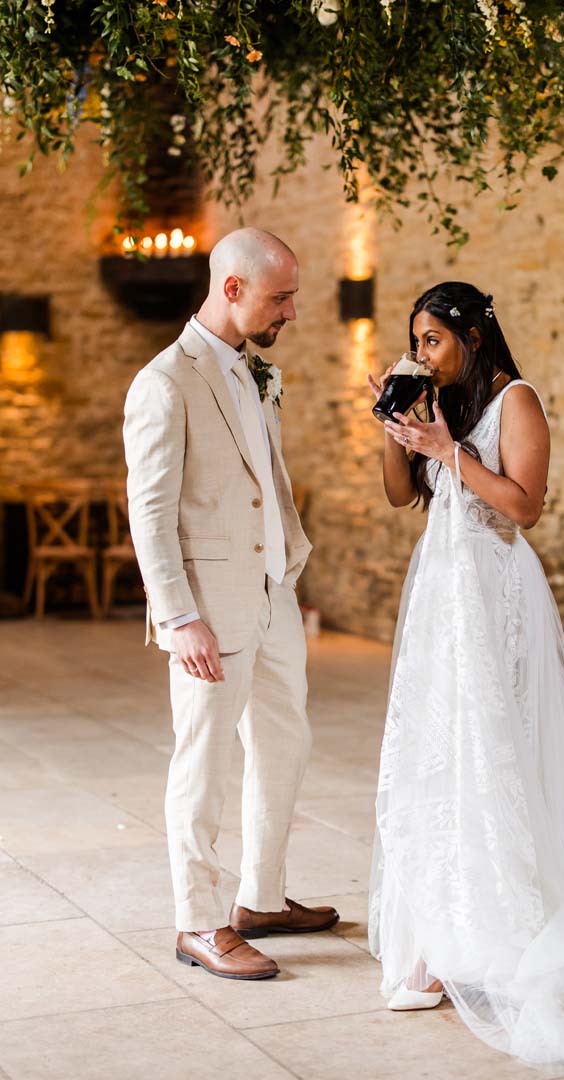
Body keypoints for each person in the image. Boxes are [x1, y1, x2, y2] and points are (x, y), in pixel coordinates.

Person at [367, 281, 564, 1071]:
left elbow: (523, 507)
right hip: (441, 592)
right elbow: (399, 496)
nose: (422, 354)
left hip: (495, 592)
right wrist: (398, 429)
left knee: (495, 753)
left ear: (472, 334)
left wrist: (446, 451)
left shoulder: (513, 400)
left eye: (431, 340)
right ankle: (432, 938)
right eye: (415, 343)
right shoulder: (440, 403)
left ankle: (507, 931)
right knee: (435, 752)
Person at [123, 227, 339, 982]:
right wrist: (179, 617)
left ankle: (261, 898)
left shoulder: (255, 372)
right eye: (281, 298)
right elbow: (148, 512)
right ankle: (198, 922)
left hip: (275, 593)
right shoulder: (164, 382)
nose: (292, 312)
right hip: (210, 610)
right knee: (204, 763)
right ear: (235, 289)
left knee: (286, 745)